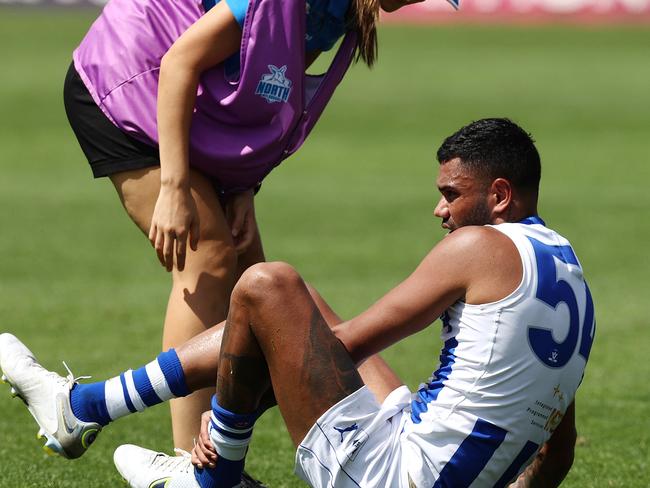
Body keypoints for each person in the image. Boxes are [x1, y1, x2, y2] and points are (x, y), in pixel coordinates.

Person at [1, 118, 595, 487]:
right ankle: (83, 407)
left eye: (451, 195)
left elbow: (339, 349)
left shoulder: (479, 247)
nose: (440, 211)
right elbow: (558, 447)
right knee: (303, 303)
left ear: (499, 194)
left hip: (394, 476)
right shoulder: (571, 274)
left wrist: (232, 410)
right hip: (417, 447)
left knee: (267, 286)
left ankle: (212, 479)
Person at [63, 0, 442, 451]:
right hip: (128, 76)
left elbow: (266, 94)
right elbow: (179, 61)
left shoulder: (342, 13)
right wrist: (174, 186)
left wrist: (243, 183)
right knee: (210, 254)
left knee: (262, 298)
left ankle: (216, 460)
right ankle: (189, 462)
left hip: (185, 103)